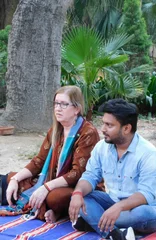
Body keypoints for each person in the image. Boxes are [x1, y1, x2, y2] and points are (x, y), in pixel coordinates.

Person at [69, 98, 156, 240]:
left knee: (140, 214)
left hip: (146, 210)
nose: (103, 129)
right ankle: (115, 235)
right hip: (113, 203)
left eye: (109, 125)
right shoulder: (101, 147)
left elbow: (145, 194)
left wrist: (118, 208)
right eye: (103, 123)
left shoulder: (148, 154)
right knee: (82, 199)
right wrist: (77, 193)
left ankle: (92, 223)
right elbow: (90, 176)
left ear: (126, 128)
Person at [2, 85, 100, 223]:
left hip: (78, 187)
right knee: (9, 178)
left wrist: (46, 187)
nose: (58, 108)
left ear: (76, 109)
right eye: (56, 103)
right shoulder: (56, 129)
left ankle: (55, 210)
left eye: (64, 104)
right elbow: (39, 161)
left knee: (54, 197)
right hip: (52, 180)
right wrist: (15, 180)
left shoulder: (87, 133)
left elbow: (77, 173)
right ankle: (52, 210)